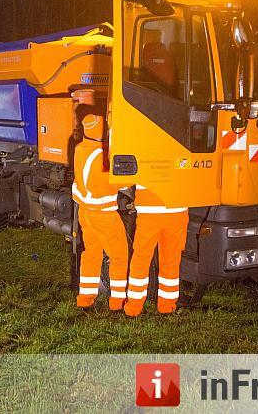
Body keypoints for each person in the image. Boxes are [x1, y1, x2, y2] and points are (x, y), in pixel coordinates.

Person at [72, 114, 129, 311]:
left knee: (91, 254)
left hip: (86, 212)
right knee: (119, 256)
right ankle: (117, 303)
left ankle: (85, 299)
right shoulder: (101, 155)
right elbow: (117, 182)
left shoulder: (80, 148)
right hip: (103, 215)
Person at [124, 185, 189, 316]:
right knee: (171, 260)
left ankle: (134, 307)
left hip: (149, 211)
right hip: (176, 211)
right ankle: (167, 306)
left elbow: (125, 179)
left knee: (141, 259)